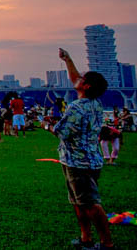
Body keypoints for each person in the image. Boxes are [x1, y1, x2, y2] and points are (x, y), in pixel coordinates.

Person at [48, 48, 112, 250]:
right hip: (83, 160)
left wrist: (46, 125)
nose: (78, 79)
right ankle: (86, 239)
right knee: (78, 202)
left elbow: (61, 132)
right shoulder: (94, 103)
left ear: (86, 85)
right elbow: (77, 79)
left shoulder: (77, 107)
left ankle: (107, 244)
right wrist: (68, 59)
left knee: (90, 204)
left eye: (82, 79)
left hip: (79, 163)